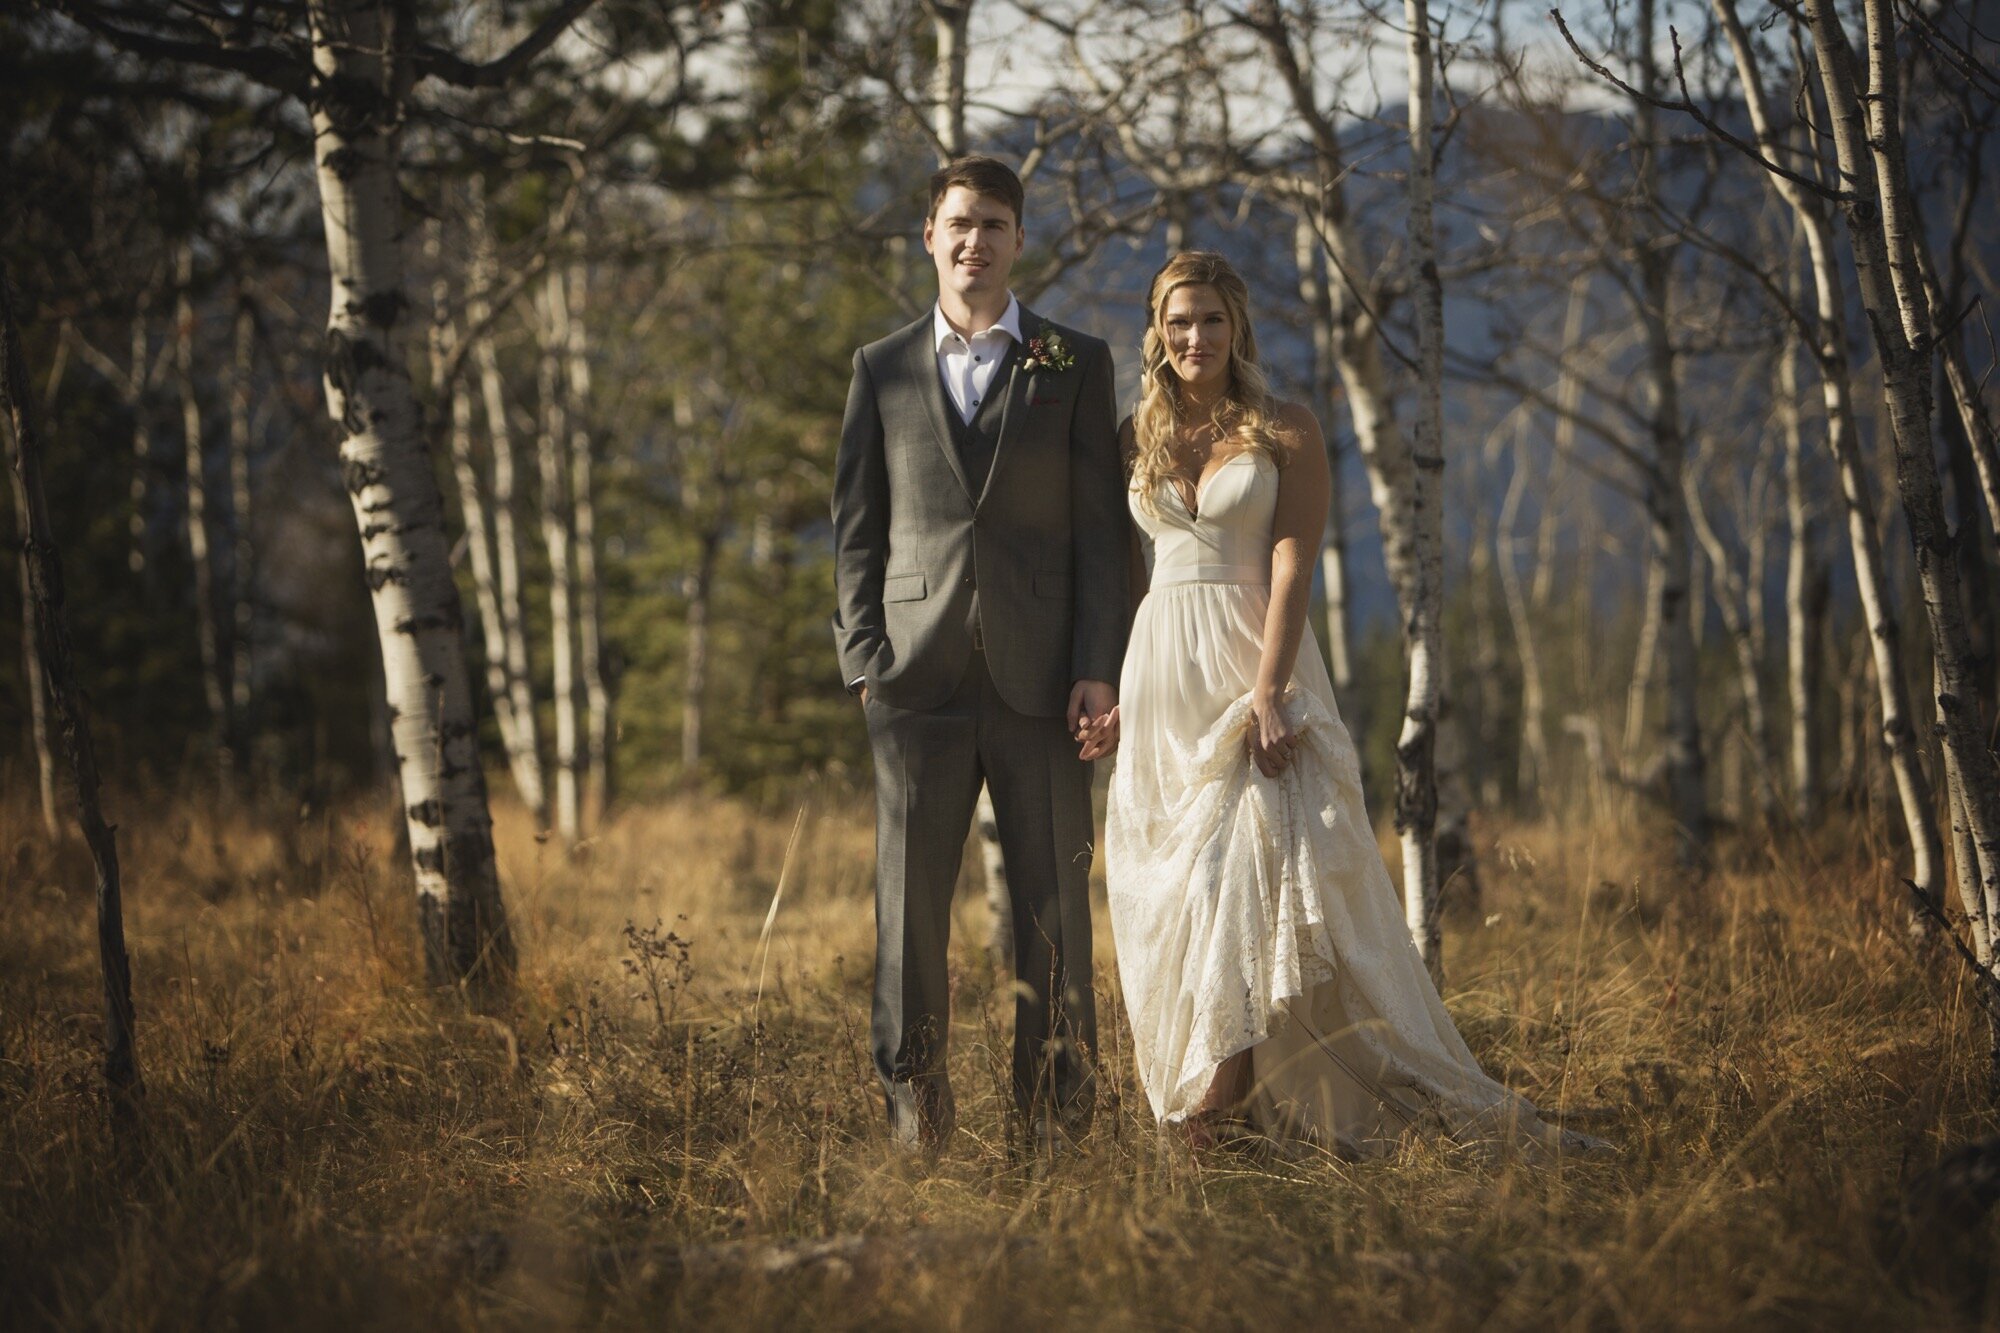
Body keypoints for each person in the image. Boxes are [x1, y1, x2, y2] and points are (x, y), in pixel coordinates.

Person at [1090, 251, 1594, 1157]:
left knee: (1254, 881)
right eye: (1178, 321)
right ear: (1157, 334)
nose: (1194, 337)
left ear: (1236, 327)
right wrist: (1118, 689)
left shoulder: (1286, 426)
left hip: (1255, 664)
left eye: (1210, 319)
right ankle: (1222, 1104)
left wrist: (1271, 692)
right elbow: (1130, 577)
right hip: (1161, 674)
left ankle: (1212, 1109)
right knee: (1178, 893)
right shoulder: (1138, 435)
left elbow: (1291, 560)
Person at [829, 155, 1129, 1152]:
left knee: (1053, 913)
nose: (974, 240)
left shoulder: (1072, 361)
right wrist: (863, 655)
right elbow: (855, 532)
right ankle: (916, 1110)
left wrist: (1098, 663)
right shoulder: (880, 368)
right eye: (957, 222)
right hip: (913, 683)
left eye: (993, 223)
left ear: (1016, 238)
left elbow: (1100, 535)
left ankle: (1051, 1115)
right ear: (928, 235)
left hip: (1045, 684)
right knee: (908, 913)